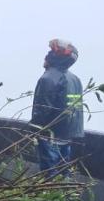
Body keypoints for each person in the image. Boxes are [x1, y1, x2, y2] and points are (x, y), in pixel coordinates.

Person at [30, 39, 83, 178]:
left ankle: (49, 190)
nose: (46, 56)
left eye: (49, 53)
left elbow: (42, 109)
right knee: (64, 172)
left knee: (50, 174)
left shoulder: (48, 78)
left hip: (50, 136)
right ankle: (65, 191)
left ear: (54, 57)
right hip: (67, 135)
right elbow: (76, 108)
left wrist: (33, 129)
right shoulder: (75, 79)